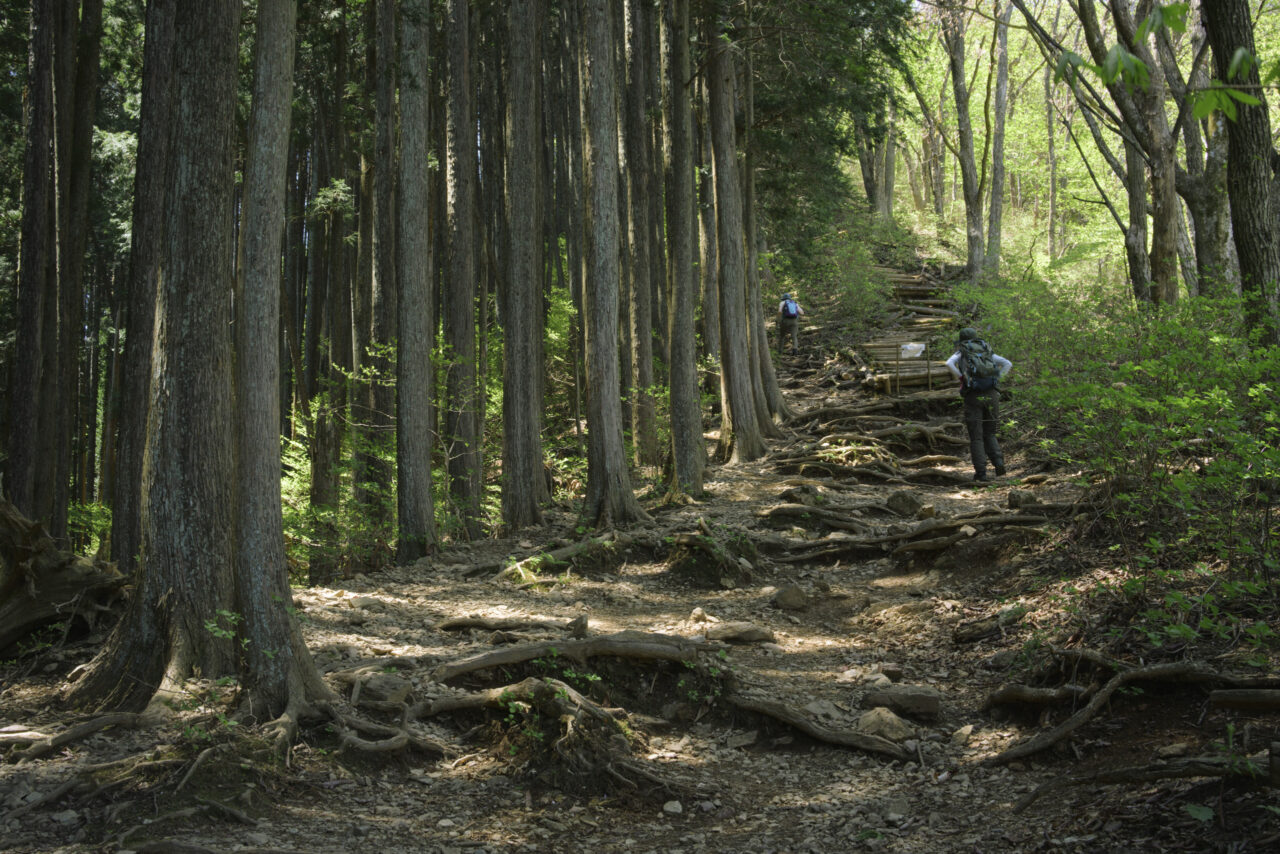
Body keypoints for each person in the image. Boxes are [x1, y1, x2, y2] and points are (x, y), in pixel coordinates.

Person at [945, 327, 1012, 482]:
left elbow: (948, 363)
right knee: (990, 432)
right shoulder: (986, 350)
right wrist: (997, 379)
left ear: (961, 340)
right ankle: (999, 464)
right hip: (992, 395)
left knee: (976, 437)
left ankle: (981, 473)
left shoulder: (962, 352)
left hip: (973, 396)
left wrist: (961, 378)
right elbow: (1007, 363)